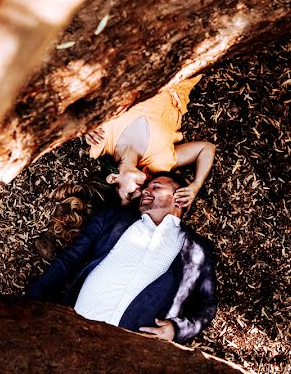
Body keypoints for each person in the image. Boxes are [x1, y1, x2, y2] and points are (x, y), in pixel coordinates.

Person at [27, 173, 218, 344]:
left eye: (156, 187)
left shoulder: (197, 250)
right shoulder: (113, 218)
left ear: (180, 199)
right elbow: (68, 259)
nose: (146, 191)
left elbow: (206, 306)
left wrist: (176, 330)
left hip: (130, 350)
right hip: (73, 330)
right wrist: (29, 302)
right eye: (146, 187)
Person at [85, 75, 216, 209]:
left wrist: (86, 124)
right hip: (181, 75)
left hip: (141, 69)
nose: (140, 192)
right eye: (140, 197)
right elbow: (206, 148)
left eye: (130, 195)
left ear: (112, 178)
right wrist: (196, 184)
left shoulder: (101, 140)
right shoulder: (159, 163)